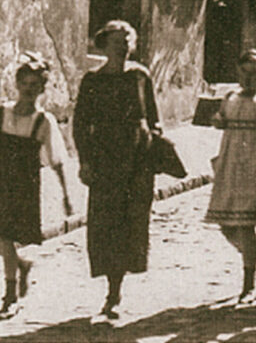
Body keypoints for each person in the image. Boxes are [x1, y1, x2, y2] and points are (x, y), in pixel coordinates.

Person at [72, 20, 159, 320]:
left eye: (127, 40)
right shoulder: (92, 81)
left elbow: (154, 117)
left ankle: (115, 291)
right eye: (116, 40)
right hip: (105, 161)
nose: (122, 45)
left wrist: (153, 145)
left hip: (136, 162)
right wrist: (84, 161)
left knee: (130, 224)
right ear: (104, 44)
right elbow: (81, 125)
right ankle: (111, 288)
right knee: (105, 225)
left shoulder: (140, 75)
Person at [205, 49, 256, 305]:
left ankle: (249, 283)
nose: (249, 79)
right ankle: (249, 256)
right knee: (226, 223)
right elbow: (222, 118)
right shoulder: (229, 97)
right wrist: (218, 120)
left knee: (246, 223)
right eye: (245, 73)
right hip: (230, 161)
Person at [0, 54, 72, 317]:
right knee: (3, 238)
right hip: (0, 180)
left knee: (5, 236)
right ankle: (20, 265)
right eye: (25, 83)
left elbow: (56, 160)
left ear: (42, 89)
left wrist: (66, 195)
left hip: (22, 185)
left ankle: (10, 295)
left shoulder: (44, 121)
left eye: (35, 85)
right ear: (17, 84)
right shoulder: (2, 113)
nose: (29, 89)